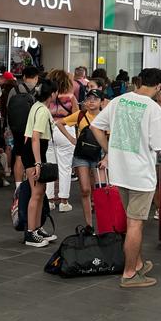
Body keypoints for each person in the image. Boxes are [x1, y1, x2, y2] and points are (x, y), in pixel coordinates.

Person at [90, 68, 161, 289]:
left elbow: (95, 126)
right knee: (135, 224)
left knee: (130, 221)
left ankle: (137, 263)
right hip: (141, 175)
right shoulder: (153, 109)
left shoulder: (119, 101)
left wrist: (110, 150)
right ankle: (129, 274)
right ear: (159, 87)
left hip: (120, 173)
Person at [56, 89, 104, 230]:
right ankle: (89, 224)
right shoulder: (81, 115)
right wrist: (71, 138)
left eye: (95, 99)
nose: (91, 102)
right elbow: (59, 123)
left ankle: (102, 223)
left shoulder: (105, 117)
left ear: (101, 101)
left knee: (99, 190)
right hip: (81, 155)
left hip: (98, 156)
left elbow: (109, 137)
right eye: (88, 99)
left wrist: (107, 156)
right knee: (84, 189)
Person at [23, 81, 57, 247]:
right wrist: (38, 163)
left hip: (33, 150)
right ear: (52, 94)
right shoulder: (42, 110)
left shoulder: (36, 106)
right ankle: (30, 233)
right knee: (36, 193)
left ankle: (36, 228)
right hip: (34, 152)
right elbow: (35, 137)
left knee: (40, 191)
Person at [46, 69, 78, 212]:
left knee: (50, 166)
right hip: (66, 131)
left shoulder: (48, 97)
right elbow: (77, 116)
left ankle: (50, 200)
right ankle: (64, 201)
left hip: (49, 130)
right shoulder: (70, 97)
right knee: (65, 168)